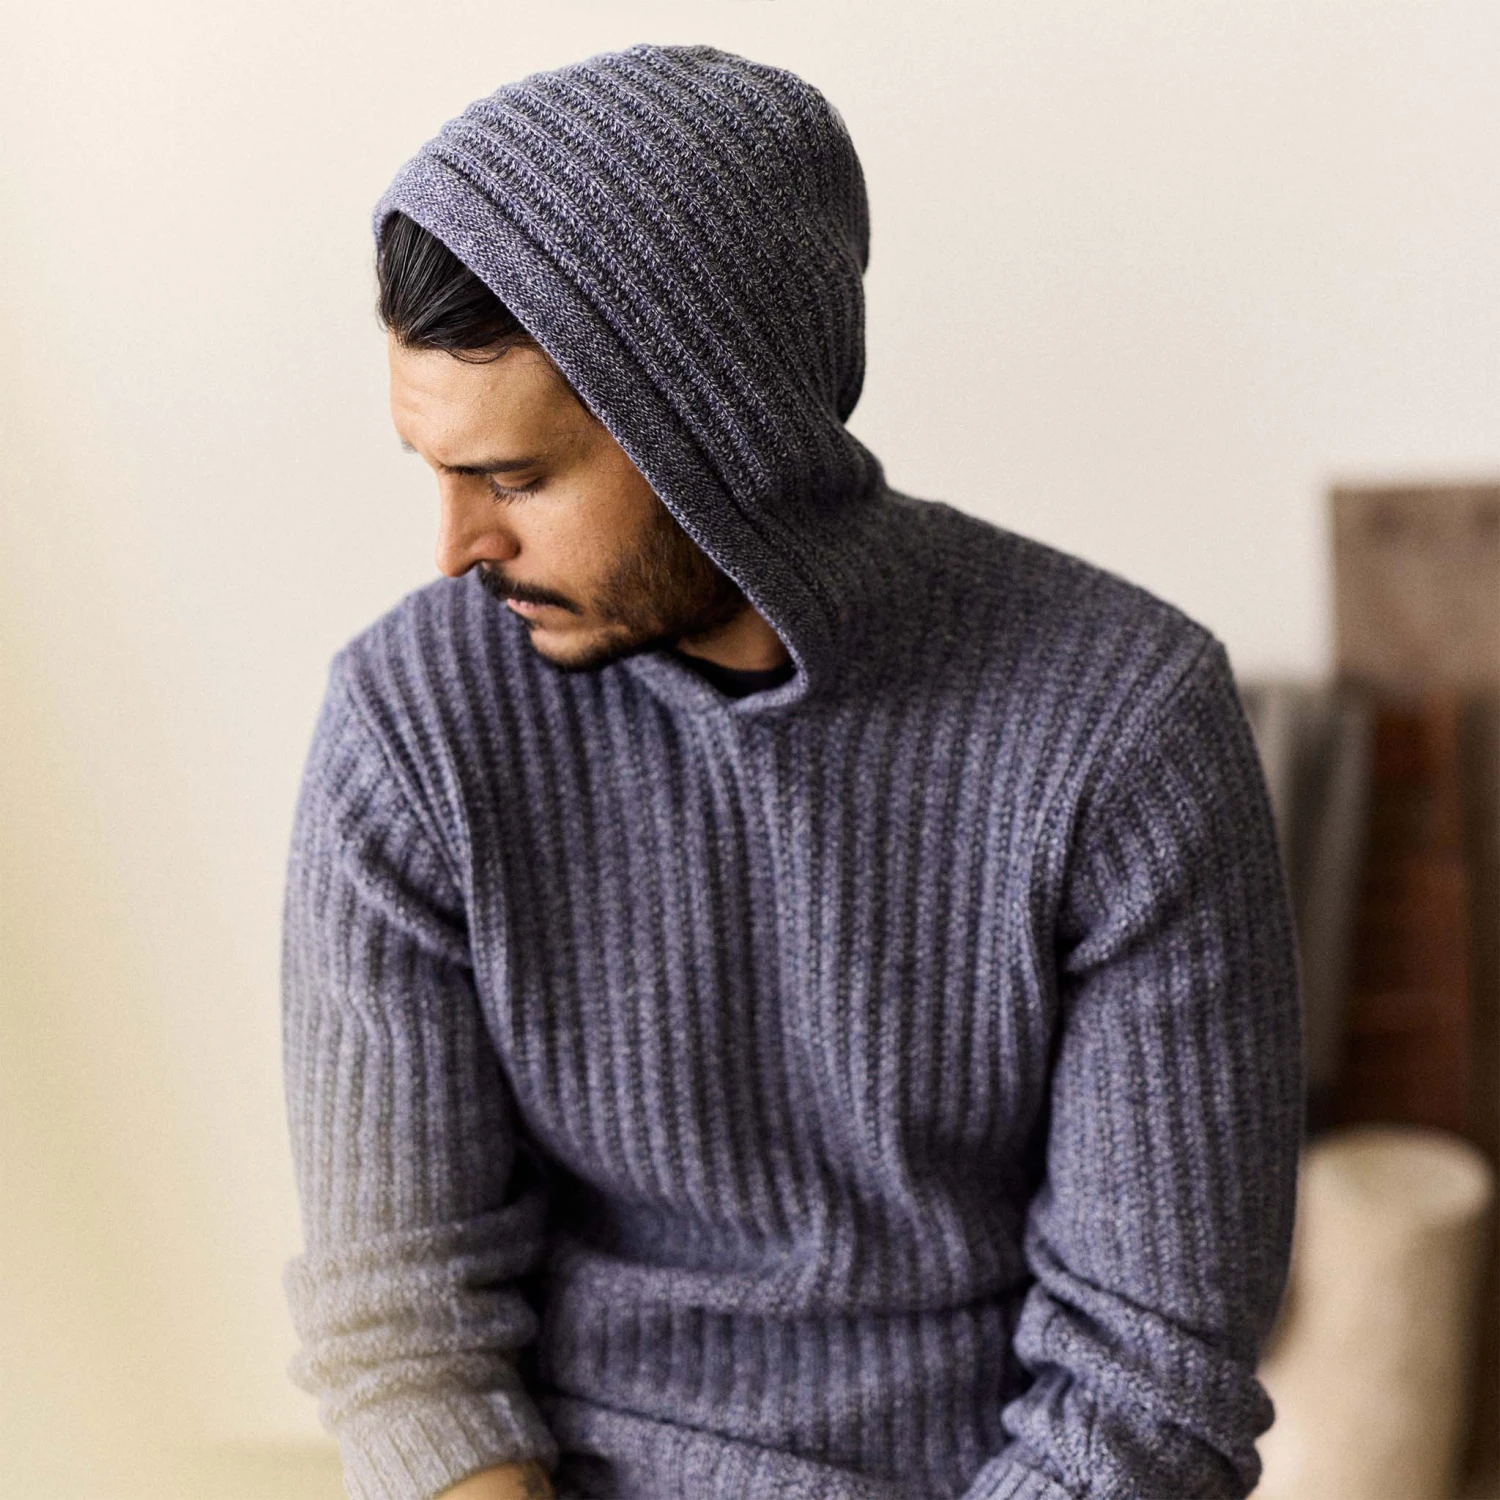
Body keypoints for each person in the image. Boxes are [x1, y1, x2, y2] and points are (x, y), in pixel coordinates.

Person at [279, 42, 1304, 1500]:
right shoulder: (412, 724)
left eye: (514, 480)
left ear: (719, 435)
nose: (456, 550)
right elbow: (405, 1334)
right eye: (434, 470)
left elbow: (1150, 1379)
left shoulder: (1126, 728)